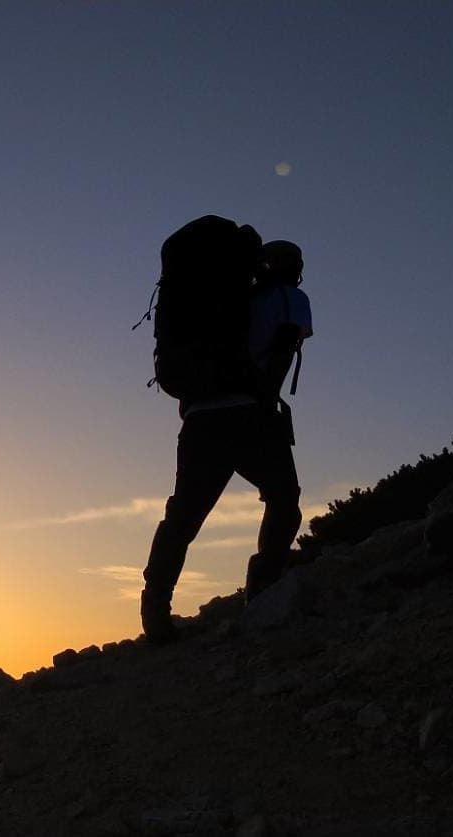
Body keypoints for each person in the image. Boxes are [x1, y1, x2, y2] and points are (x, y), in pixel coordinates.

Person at [140, 239, 313, 644]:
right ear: (293, 267)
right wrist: (266, 402)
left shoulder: (223, 304)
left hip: (200, 418)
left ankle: (156, 610)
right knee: (284, 498)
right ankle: (264, 589)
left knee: (183, 515)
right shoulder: (292, 297)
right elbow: (286, 347)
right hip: (249, 413)